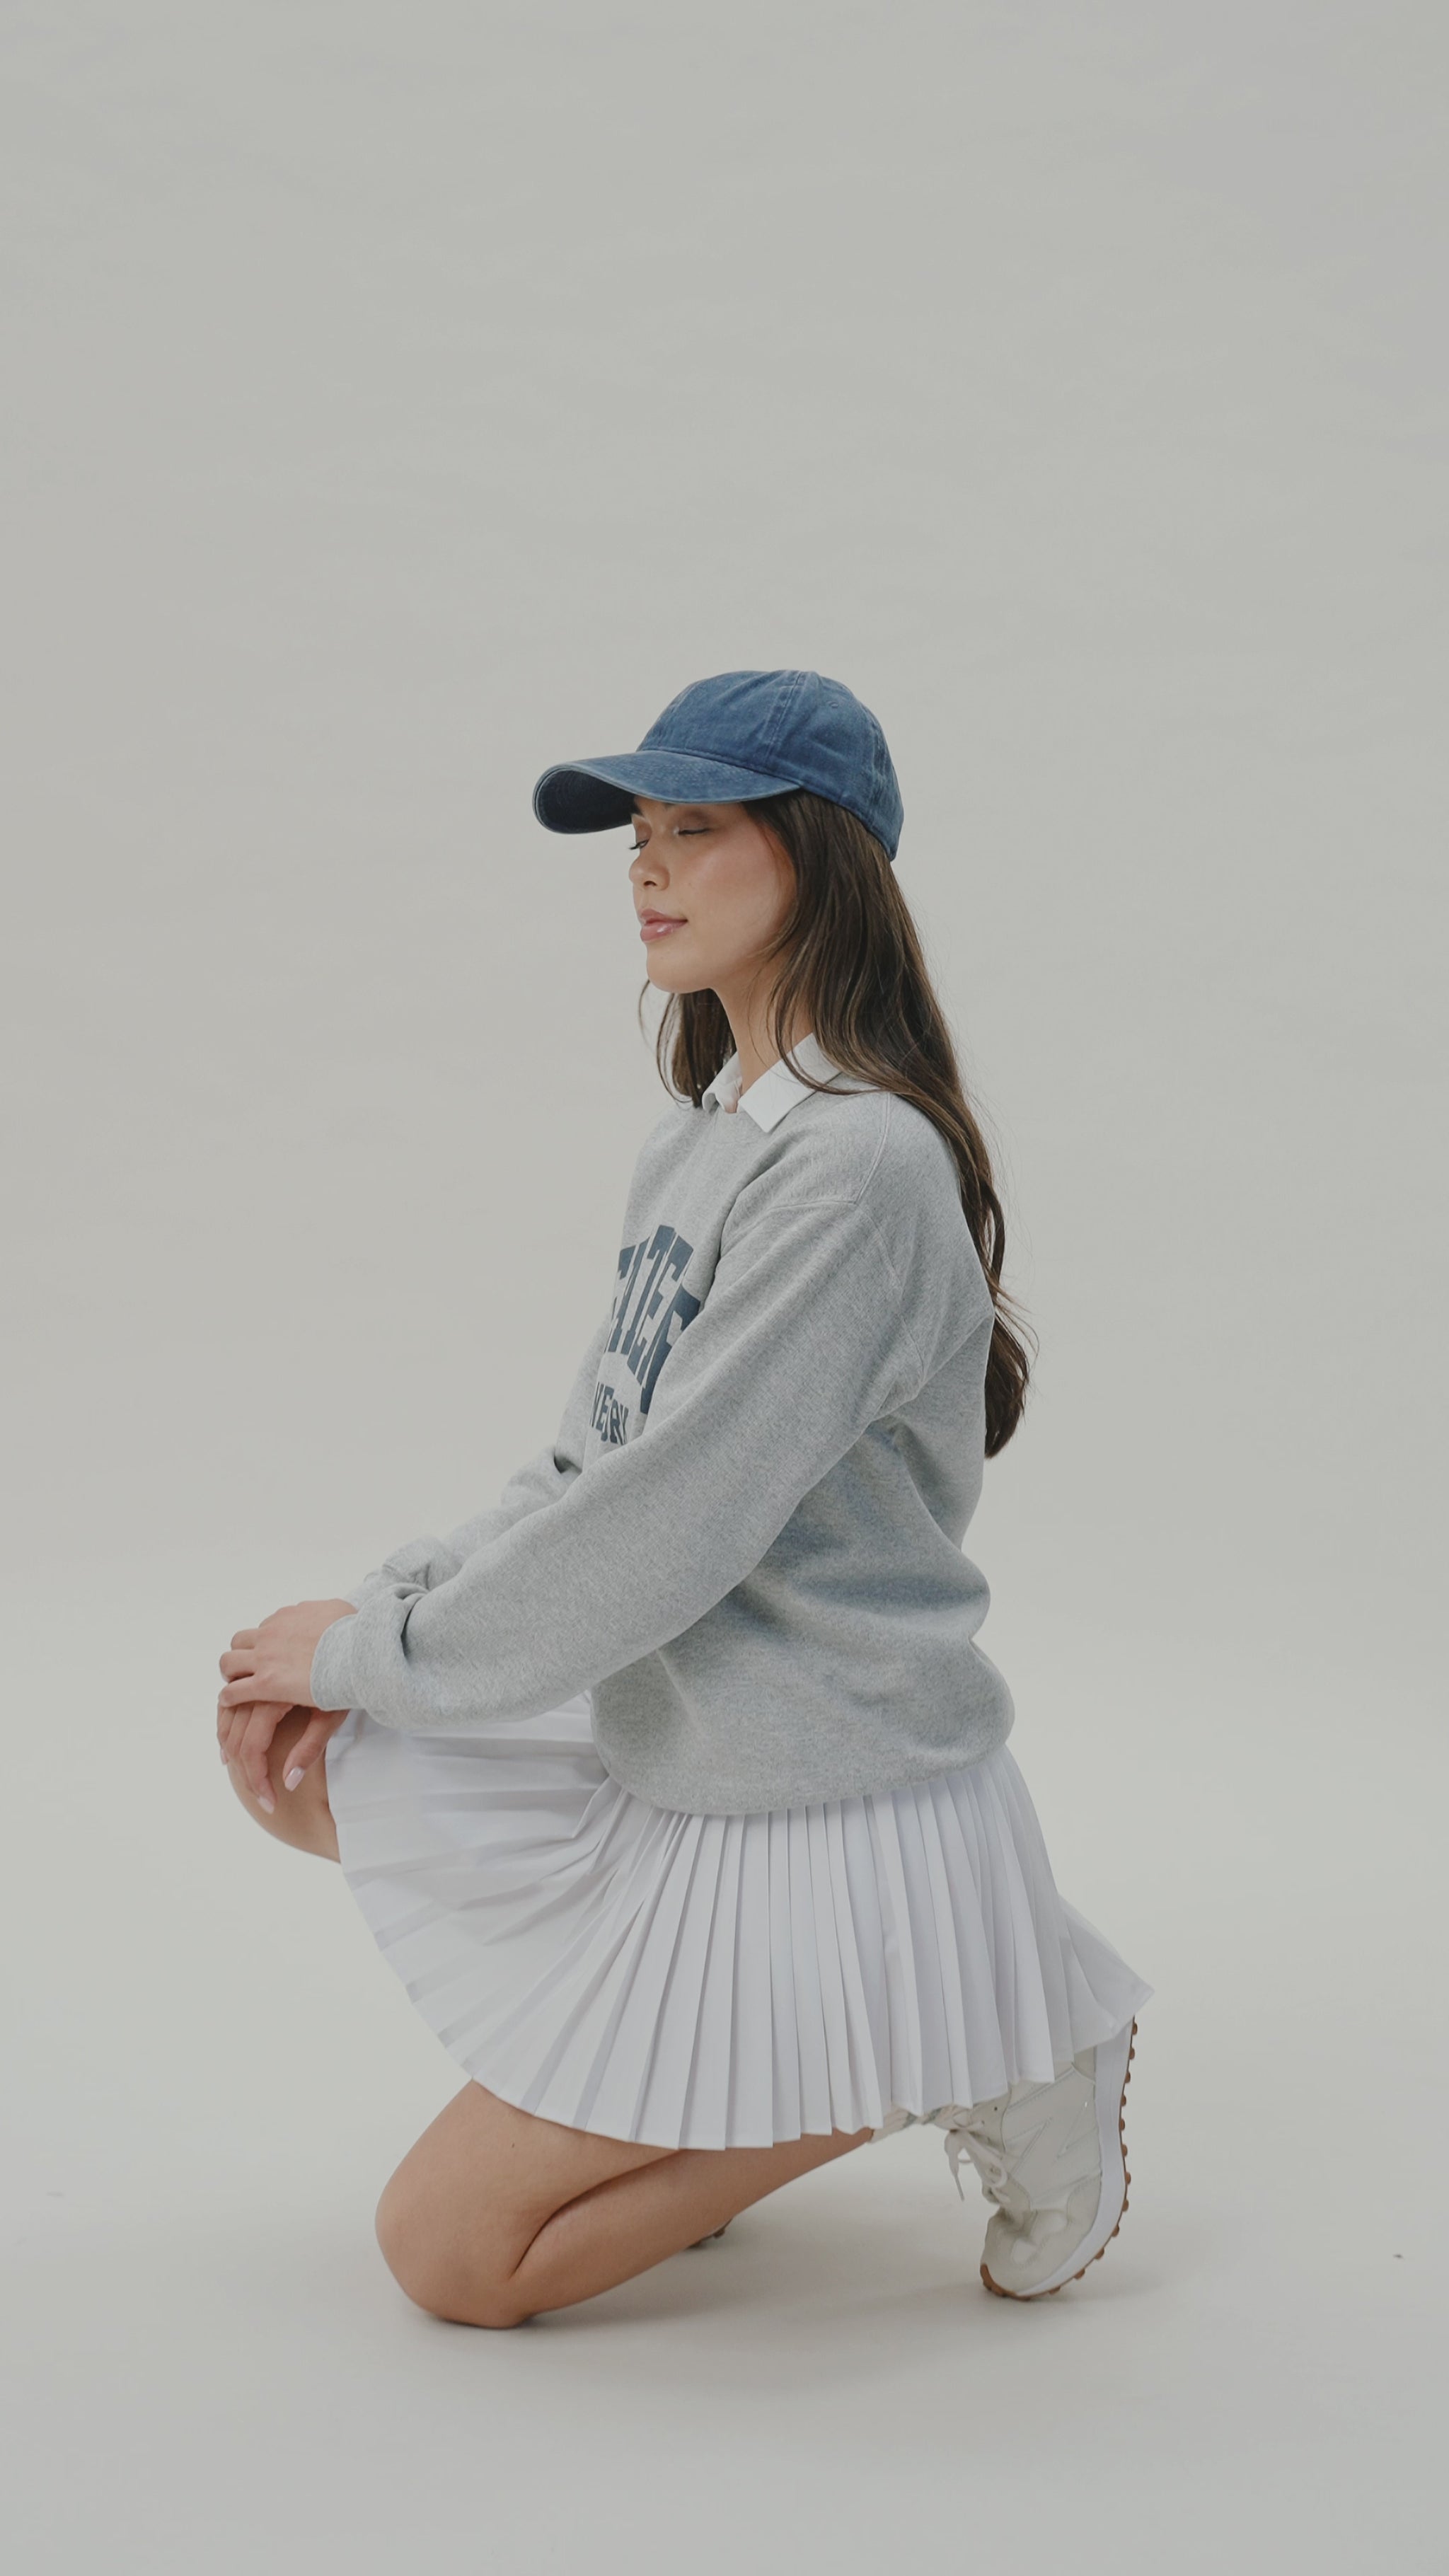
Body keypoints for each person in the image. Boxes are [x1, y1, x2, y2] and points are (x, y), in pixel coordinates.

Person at [217, 668, 1151, 2328]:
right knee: (309, 1767)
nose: (647, 866)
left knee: (454, 2262)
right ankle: (817, 2050)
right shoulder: (707, 1138)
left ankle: (987, 2039)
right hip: (692, 1756)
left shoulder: (858, 1168)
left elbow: (668, 1527)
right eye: (639, 833)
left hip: (824, 1793)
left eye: (696, 827)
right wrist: (378, 1617)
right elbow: (589, 1462)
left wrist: (373, 1652)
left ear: (822, 855)